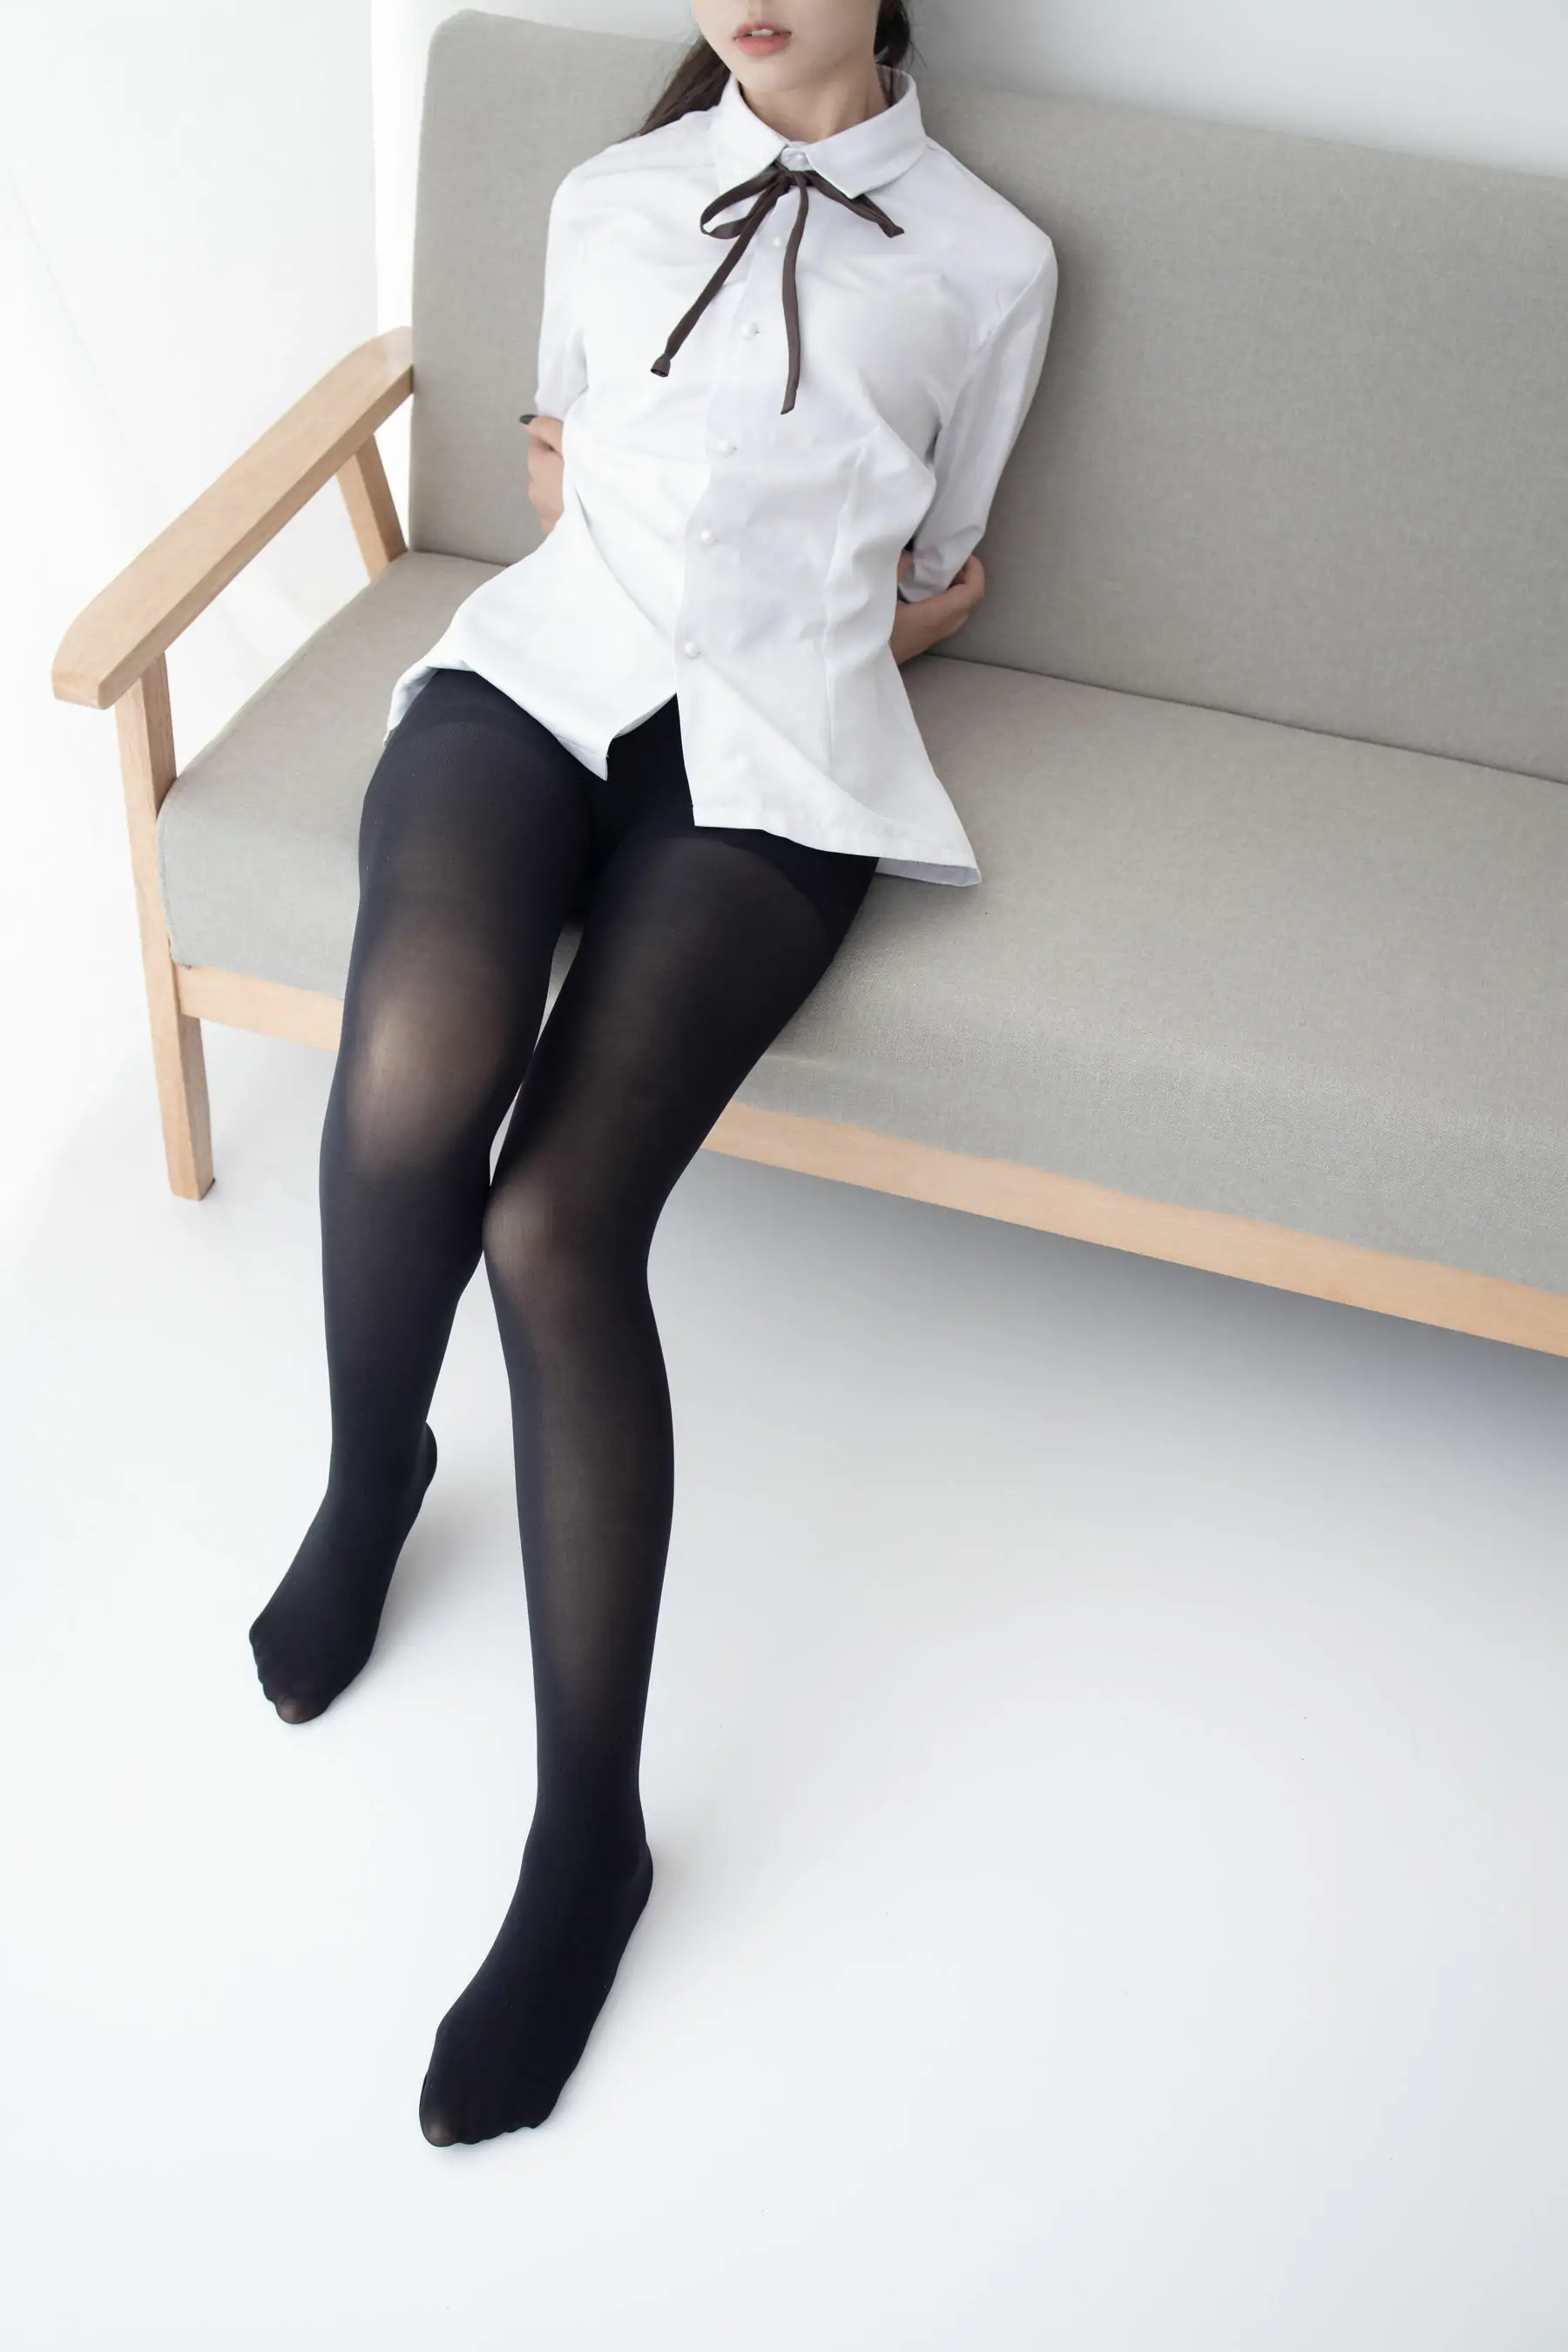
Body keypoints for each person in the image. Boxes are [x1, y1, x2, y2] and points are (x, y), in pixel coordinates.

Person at [248, 0, 1058, 2147]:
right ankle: (372, 1479)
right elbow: (555, 465)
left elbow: (938, 573)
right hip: (541, 676)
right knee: (416, 1073)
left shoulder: (994, 261)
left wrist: (810, 609)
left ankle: (586, 1844)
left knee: (554, 1223)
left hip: (776, 753)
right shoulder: (609, 196)